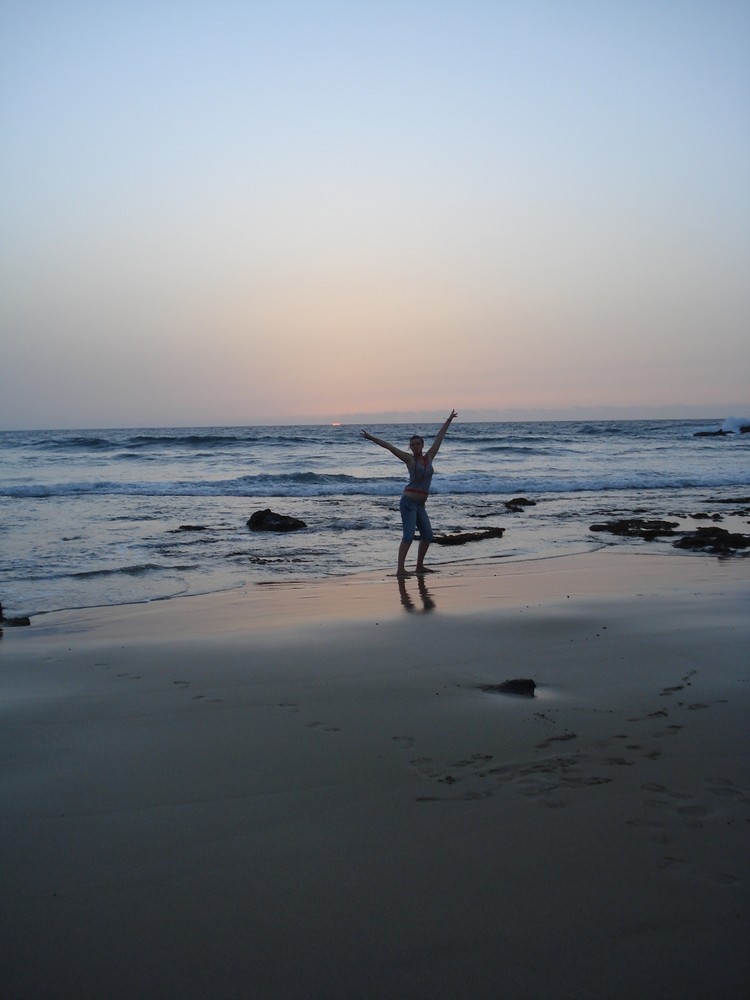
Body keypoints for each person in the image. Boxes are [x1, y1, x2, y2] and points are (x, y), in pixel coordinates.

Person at [361, 410, 458, 576]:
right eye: (412, 445)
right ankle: (400, 569)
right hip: (408, 503)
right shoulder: (409, 459)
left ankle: (419, 566)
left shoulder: (429, 457)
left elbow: (439, 437)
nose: (415, 447)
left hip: (421, 504)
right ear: (410, 447)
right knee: (408, 536)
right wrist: (372, 438)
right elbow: (390, 447)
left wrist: (448, 420)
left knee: (427, 535)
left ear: (422, 445)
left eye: (418, 444)